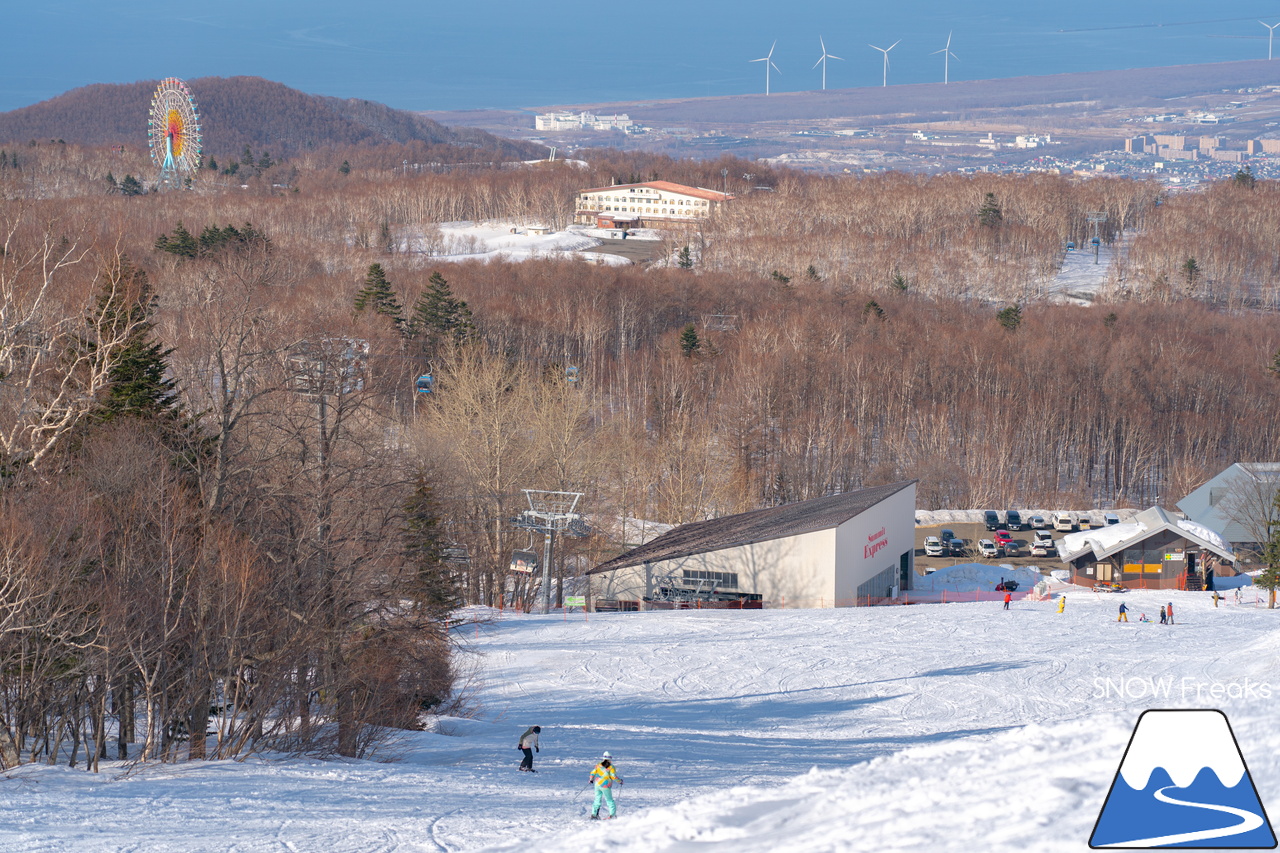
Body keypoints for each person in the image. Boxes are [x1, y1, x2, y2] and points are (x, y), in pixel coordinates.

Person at [589, 753, 623, 820]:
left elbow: (592, 773)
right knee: (609, 800)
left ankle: (594, 814)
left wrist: (591, 779)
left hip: (597, 784)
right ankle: (612, 815)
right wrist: (620, 781)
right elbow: (613, 776)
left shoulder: (598, 765)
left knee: (597, 799)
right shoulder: (611, 767)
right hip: (606, 786)